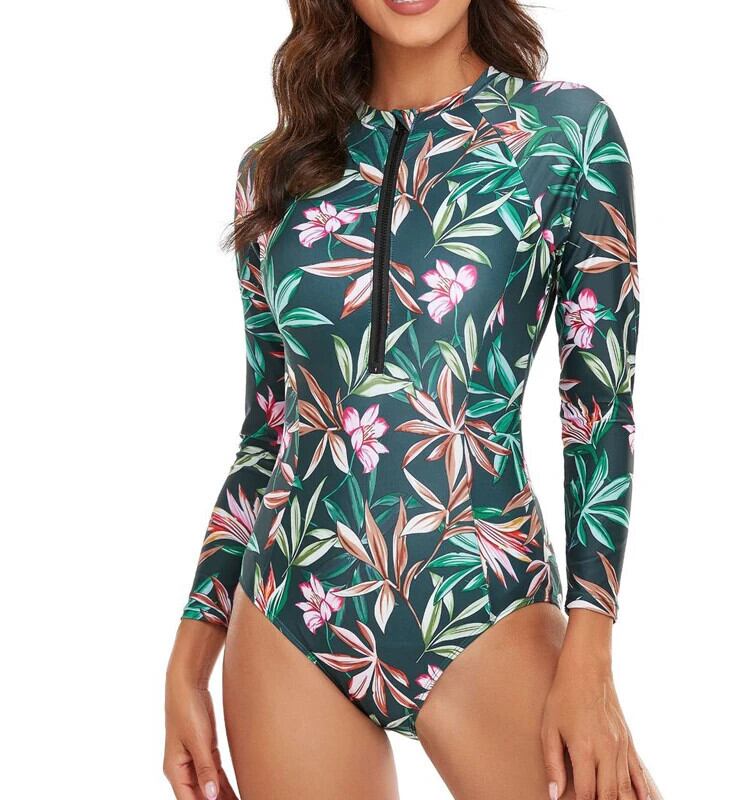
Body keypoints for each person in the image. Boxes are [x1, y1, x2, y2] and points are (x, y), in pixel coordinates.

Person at [164, 1, 658, 798]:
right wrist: (190, 662)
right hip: (290, 606)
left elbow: (597, 411)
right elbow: (269, 430)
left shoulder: (562, 132)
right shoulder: (276, 173)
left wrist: (591, 650)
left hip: (481, 599)